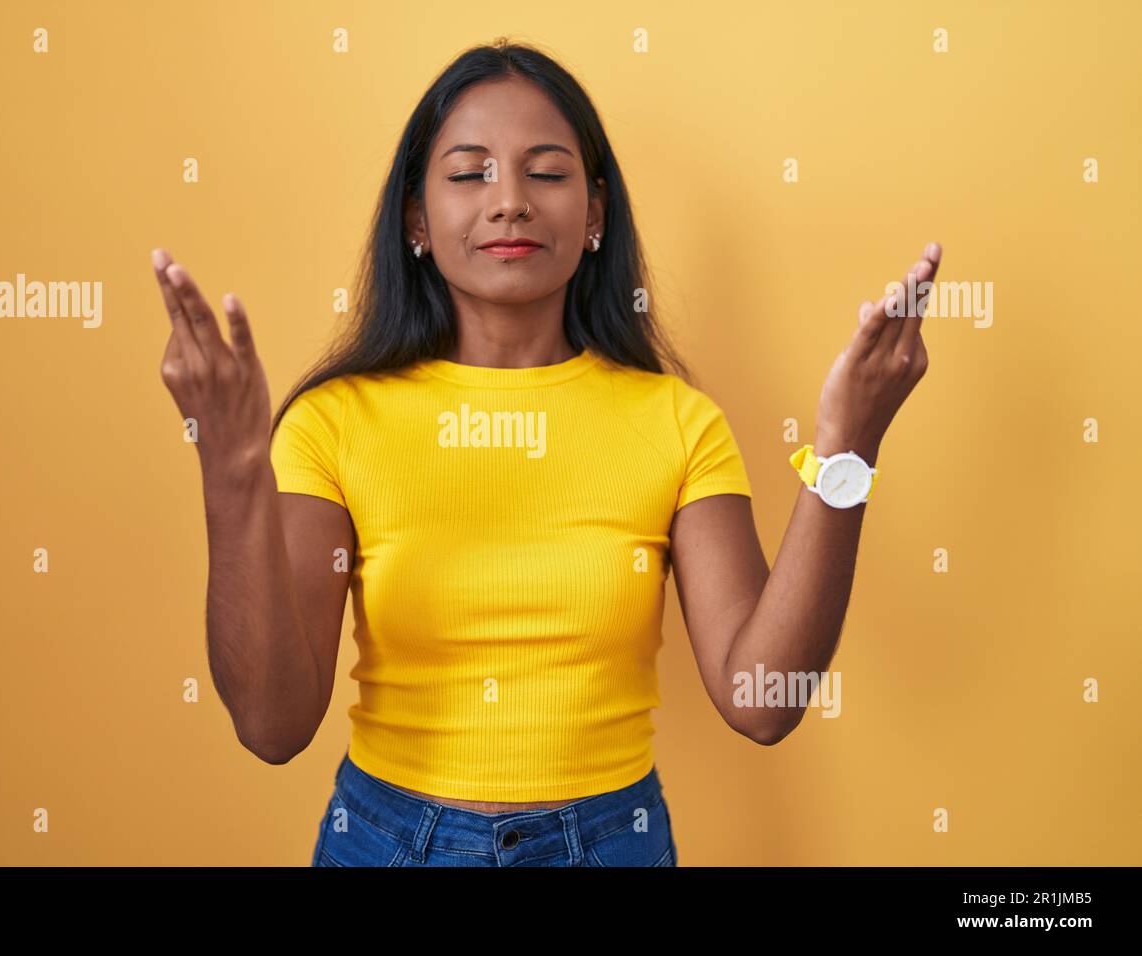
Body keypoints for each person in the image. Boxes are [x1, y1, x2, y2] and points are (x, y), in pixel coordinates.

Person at [151, 39, 941, 867]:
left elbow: (760, 702)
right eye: (468, 173)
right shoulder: (333, 424)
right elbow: (272, 727)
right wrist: (233, 474)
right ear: (416, 219)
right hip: (386, 844)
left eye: (548, 173)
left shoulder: (677, 422)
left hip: (610, 845)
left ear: (596, 214)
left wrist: (849, 450)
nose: (510, 202)